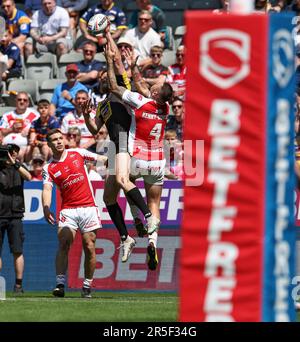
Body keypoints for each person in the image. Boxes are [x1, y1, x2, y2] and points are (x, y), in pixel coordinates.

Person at [104, 37, 173, 270]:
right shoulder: (165, 109)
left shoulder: (142, 103)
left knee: (126, 181)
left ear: (154, 95)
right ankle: (152, 240)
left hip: (138, 156)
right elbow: (141, 83)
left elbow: (116, 87)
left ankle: (137, 219)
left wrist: (110, 61)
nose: (149, 86)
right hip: (158, 163)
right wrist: (133, 67)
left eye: (153, 87)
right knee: (155, 203)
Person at [42, 128, 107, 298]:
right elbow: (47, 189)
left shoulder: (77, 153)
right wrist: (46, 207)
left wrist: (116, 162)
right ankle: (60, 284)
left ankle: (87, 286)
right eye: (54, 140)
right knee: (63, 242)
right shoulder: (48, 167)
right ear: (49, 144)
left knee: (89, 246)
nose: (58, 141)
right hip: (68, 210)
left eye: (60, 138)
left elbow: (101, 159)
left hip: (88, 207)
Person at [0, 143, 32, 293]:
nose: (11, 155)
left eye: (13, 153)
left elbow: (29, 177)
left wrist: (15, 164)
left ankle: (18, 285)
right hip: (0, 214)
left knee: (17, 251)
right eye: (8, 153)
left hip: (15, 215)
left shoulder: (19, 168)